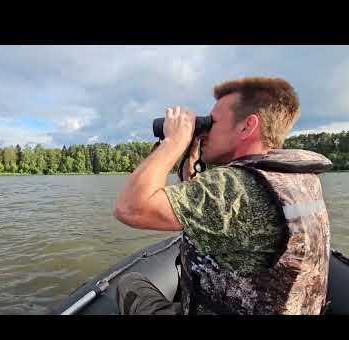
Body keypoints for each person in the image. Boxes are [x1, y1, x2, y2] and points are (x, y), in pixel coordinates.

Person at [113, 77, 333, 315]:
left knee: (129, 283)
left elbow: (129, 207)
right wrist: (192, 163)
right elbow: (226, 212)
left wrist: (174, 141)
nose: (204, 132)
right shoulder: (299, 177)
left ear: (247, 126)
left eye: (212, 122)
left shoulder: (236, 186)